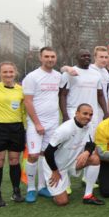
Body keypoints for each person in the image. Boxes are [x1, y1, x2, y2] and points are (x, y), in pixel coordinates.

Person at [41, 103, 103, 206]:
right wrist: (55, 171)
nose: (88, 117)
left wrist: (87, 152)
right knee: (62, 202)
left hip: (72, 162)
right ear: (77, 113)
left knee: (95, 159)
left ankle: (88, 196)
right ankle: (56, 190)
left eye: (90, 114)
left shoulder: (89, 125)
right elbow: (48, 152)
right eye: (85, 113)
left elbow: (91, 143)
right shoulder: (65, 129)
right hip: (55, 167)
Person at [22, 47, 62, 202]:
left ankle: (42, 186)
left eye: (52, 56)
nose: (50, 59)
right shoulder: (32, 77)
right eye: (47, 56)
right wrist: (37, 123)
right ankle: (31, 188)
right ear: (41, 58)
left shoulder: (58, 76)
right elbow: (28, 101)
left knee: (46, 154)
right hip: (36, 123)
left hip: (53, 123)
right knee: (33, 155)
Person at [0, 62, 27, 206]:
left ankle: (16, 192)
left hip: (16, 128)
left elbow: (24, 110)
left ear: (15, 72)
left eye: (11, 71)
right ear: (0, 73)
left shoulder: (21, 90)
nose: (8, 74)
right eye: (5, 72)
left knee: (15, 161)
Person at [59, 49, 108, 129]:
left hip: (92, 115)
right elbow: (62, 95)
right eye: (83, 56)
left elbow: (100, 95)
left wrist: (106, 112)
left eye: (88, 56)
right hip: (74, 113)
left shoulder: (96, 74)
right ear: (77, 58)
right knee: (75, 140)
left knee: (90, 140)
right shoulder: (69, 73)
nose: (86, 58)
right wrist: (65, 115)